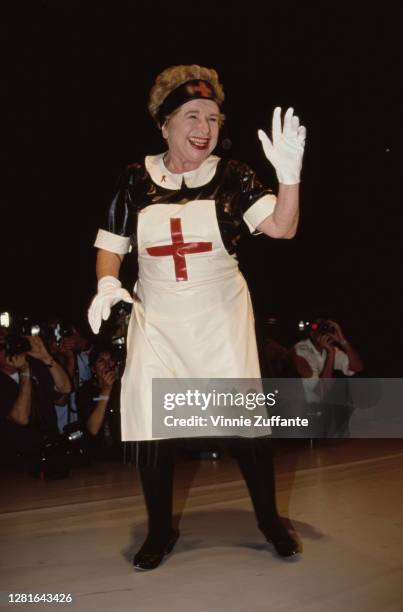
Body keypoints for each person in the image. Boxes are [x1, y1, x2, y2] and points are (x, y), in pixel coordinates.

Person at [88, 65, 306, 570]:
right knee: (152, 425)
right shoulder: (134, 179)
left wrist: (288, 178)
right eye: (191, 115)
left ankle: (270, 520)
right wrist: (106, 282)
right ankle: (160, 531)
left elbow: (280, 227)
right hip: (157, 319)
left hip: (219, 318)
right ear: (163, 125)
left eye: (212, 116)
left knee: (243, 426)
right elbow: (110, 245)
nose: (205, 126)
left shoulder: (233, 175)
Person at [0, 329, 72, 464]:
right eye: (2, 346)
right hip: (18, 461)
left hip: (51, 450)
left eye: (9, 344)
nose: (8, 350)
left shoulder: (36, 366)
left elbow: (65, 391)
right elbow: (21, 418)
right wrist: (25, 372)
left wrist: (46, 358)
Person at [293, 318, 363, 436]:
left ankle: (343, 433)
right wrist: (331, 355)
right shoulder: (301, 350)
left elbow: (357, 367)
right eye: (318, 329)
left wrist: (343, 341)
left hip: (321, 407)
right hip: (303, 410)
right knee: (338, 387)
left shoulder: (328, 349)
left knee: (345, 385)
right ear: (311, 333)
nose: (322, 333)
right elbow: (321, 391)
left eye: (325, 328)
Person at [76, 344, 121, 459]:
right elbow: (93, 429)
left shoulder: (125, 388)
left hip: (123, 454)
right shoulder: (85, 392)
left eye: (111, 360)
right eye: (101, 361)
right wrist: (106, 391)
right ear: (93, 368)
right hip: (96, 457)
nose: (107, 365)